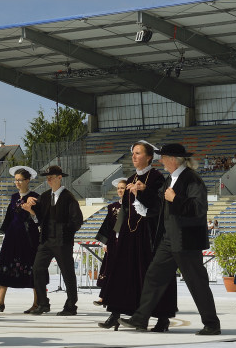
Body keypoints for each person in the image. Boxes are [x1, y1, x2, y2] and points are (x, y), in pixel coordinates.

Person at [120, 144, 221, 336]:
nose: (160, 161)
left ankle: (212, 324)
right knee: (154, 276)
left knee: (197, 283)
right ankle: (140, 318)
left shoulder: (192, 179)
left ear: (173, 159)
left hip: (186, 241)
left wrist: (176, 199)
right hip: (169, 240)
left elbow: (199, 208)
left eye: (163, 157)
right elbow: (158, 205)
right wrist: (142, 192)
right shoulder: (170, 179)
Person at [100, 140, 176, 331]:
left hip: (149, 234)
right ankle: (116, 313)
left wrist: (143, 191)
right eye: (133, 153)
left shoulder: (157, 178)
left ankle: (162, 317)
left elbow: (160, 205)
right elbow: (125, 209)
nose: (133, 156)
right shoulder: (131, 178)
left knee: (152, 274)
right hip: (130, 234)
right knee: (123, 273)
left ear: (149, 157)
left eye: (138, 153)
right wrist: (117, 232)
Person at [26, 164, 84, 316]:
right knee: (37, 269)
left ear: (59, 178)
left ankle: (71, 306)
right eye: (47, 178)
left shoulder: (68, 197)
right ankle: (43, 303)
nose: (49, 180)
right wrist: (31, 209)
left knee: (67, 272)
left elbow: (77, 220)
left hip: (62, 241)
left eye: (51, 177)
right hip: (46, 240)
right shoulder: (44, 196)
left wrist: (65, 232)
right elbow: (38, 216)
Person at [0, 166, 40, 313]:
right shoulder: (13, 197)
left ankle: (37, 303)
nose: (17, 183)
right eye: (16, 180)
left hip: (29, 237)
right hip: (12, 237)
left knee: (33, 267)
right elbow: (9, 216)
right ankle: (0, 301)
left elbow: (39, 218)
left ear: (28, 180)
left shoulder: (35, 197)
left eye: (20, 180)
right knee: (5, 265)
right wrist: (5, 232)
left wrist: (30, 210)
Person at [92, 178, 126, 308]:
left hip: (127, 243)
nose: (120, 190)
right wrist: (105, 243)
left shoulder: (134, 206)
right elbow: (107, 225)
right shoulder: (112, 207)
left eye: (122, 188)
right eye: (118, 188)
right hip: (113, 243)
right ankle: (103, 297)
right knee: (110, 269)